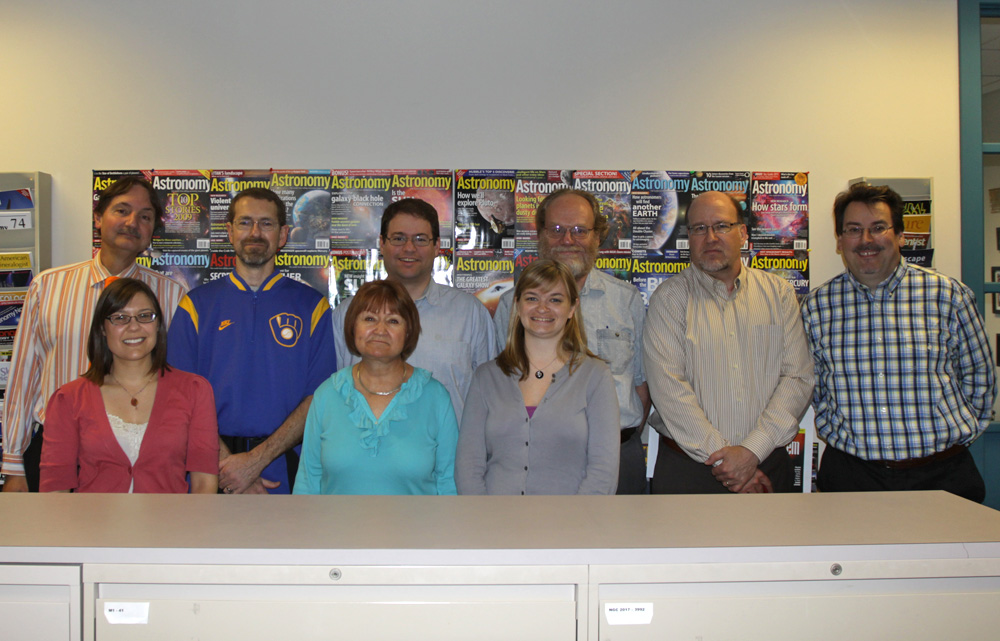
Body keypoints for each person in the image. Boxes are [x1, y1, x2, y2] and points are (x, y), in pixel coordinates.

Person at [802, 182, 996, 502]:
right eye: (853, 229)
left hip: (942, 474)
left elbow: (980, 378)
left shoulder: (948, 296)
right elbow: (814, 386)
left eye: (878, 228)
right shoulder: (817, 307)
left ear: (900, 235)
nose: (866, 240)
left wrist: (959, 438)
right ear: (839, 240)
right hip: (852, 476)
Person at [2, 177, 187, 492]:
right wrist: (13, 464)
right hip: (55, 452)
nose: (132, 222)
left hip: (139, 456)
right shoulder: (48, 287)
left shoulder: (173, 296)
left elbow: (181, 382)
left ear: (153, 229)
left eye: (145, 216)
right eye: (122, 210)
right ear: (98, 218)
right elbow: (23, 379)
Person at [167, 188, 336, 494]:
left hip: (284, 470)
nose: (255, 232)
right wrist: (230, 467)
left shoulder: (313, 307)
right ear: (229, 232)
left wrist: (255, 462)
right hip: (210, 470)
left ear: (283, 234)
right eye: (245, 223)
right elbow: (178, 399)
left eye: (267, 224)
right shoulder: (196, 306)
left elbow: (318, 399)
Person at [643, 191, 814, 494]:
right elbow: (669, 389)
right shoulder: (669, 300)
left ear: (743, 233)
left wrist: (751, 452)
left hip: (767, 465)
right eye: (699, 228)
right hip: (688, 471)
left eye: (722, 226)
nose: (710, 237)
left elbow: (797, 378)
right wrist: (730, 464)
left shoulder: (779, 294)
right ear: (689, 237)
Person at [493, 189, 649, 494]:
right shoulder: (512, 306)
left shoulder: (626, 301)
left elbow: (641, 387)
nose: (568, 240)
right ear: (539, 236)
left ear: (597, 237)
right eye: (556, 230)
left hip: (619, 458)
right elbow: (502, 389)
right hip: (538, 462)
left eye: (580, 230)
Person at [457, 259, 620, 495]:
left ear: (572, 308)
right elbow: (468, 466)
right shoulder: (486, 377)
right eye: (532, 298)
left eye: (555, 299)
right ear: (517, 305)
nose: (542, 308)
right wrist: (484, 521)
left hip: (571, 525)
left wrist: (580, 524)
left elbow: (603, 471)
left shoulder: (595, 377)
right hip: (495, 523)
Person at [39, 279, 218, 493]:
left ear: (158, 325)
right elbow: (55, 490)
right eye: (120, 318)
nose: (134, 327)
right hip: (91, 525)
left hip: (171, 525)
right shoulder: (68, 398)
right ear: (102, 329)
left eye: (144, 316)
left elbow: (204, 484)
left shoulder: (195, 391)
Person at [332, 198, 495, 422]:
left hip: (447, 455)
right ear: (382, 243)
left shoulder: (470, 314)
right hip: (365, 452)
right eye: (398, 238)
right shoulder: (347, 314)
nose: (409, 248)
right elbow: (333, 396)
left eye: (420, 239)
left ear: (437, 246)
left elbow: (490, 398)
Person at [295, 279, 458, 495]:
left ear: (408, 332)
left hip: (418, 529)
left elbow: (449, 483)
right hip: (336, 529)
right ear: (353, 327)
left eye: (393, 321)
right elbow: (308, 482)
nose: (380, 330)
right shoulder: (327, 394)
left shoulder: (436, 397)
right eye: (370, 319)